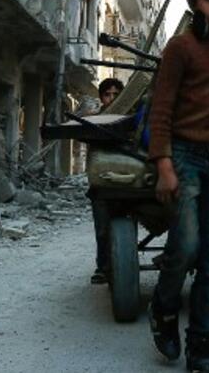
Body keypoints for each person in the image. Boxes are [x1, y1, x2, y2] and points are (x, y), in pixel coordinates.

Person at [146, 0, 209, 373]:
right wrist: (164, 164)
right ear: (194, 3)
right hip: (184, 156)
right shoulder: (180, 48)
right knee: (184, 247)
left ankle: (200, 342)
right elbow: (161, 110)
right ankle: (163, 309)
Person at [88, 78, 125, 284]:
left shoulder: (131, 118)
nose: (111, 98)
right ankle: (103, 267)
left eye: (116, 94)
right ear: (101, 98)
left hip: (128, 182)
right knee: (102, 229)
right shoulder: (93, 121)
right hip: (102, 184)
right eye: (107, 94)